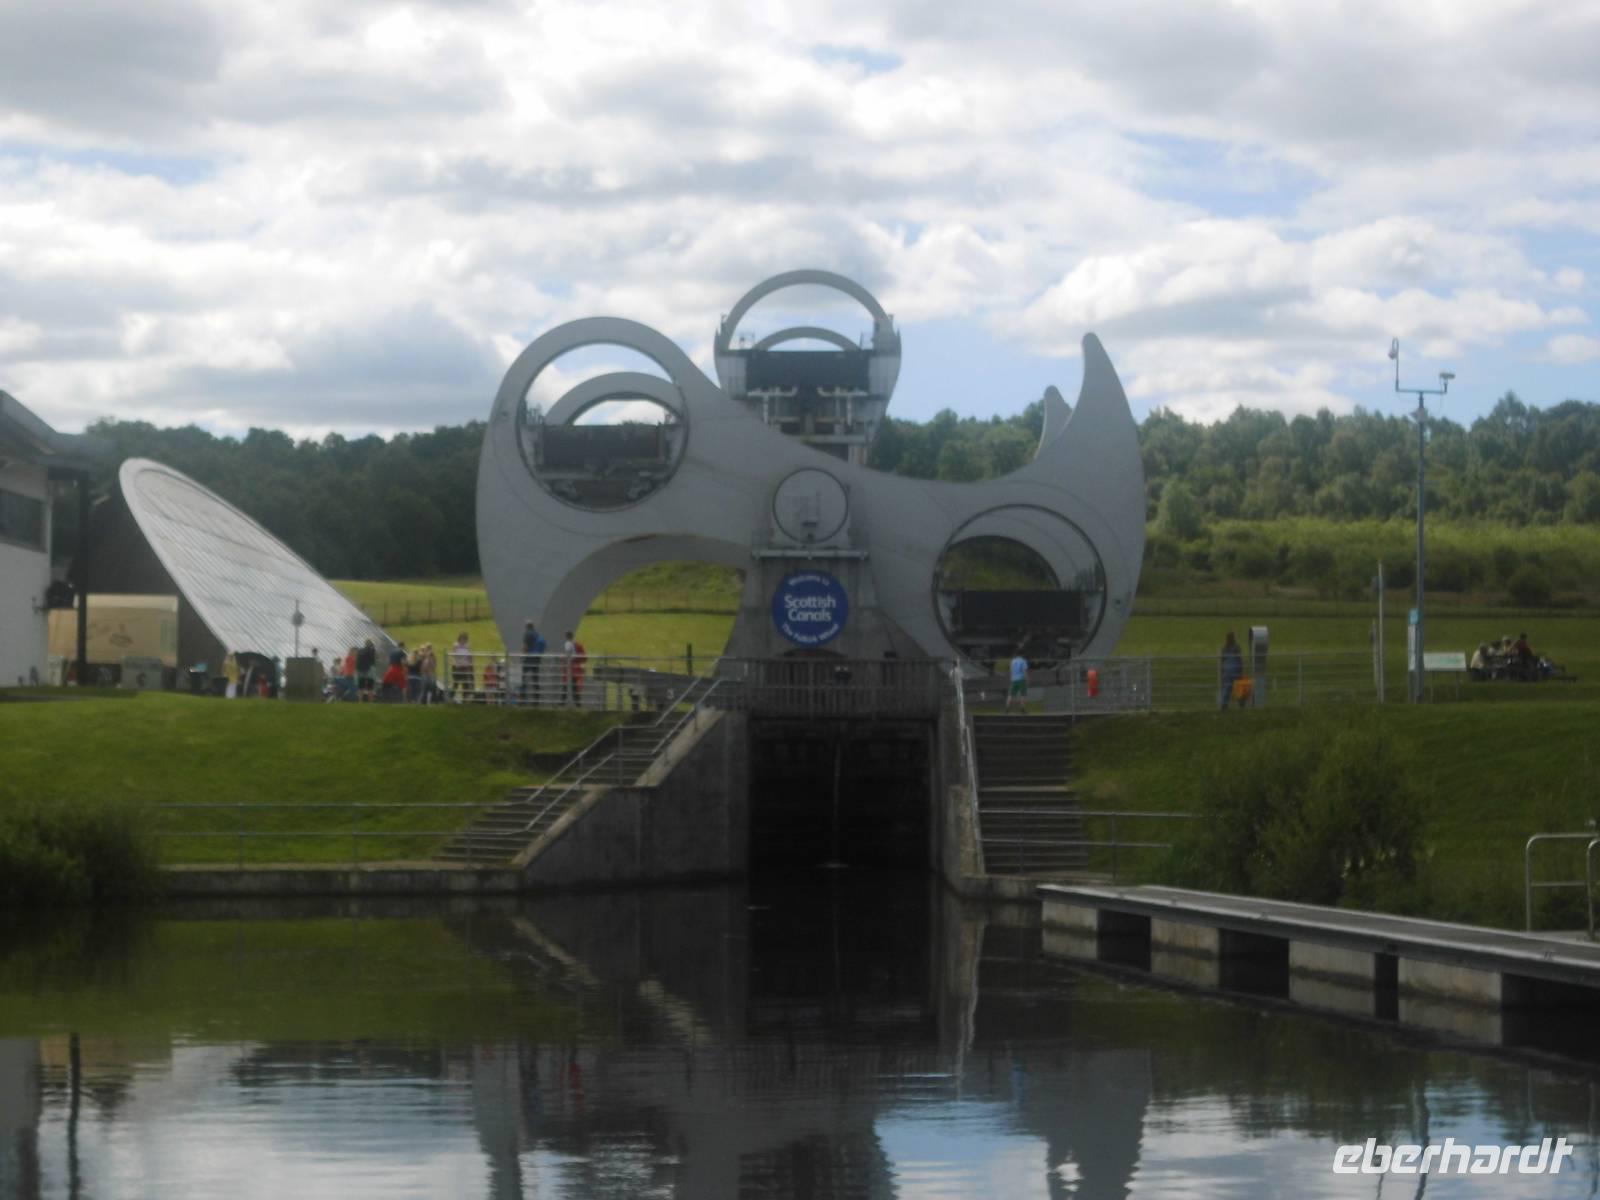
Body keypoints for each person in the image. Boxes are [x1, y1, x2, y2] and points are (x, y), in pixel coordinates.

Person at [521, 621, 546, 705]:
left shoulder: (527, 634)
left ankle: (522, 698)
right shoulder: (536, 633)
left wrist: (523, 653)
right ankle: (536, 700)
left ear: (527, 627)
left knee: (523, 676)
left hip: (529, 658)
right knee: (535, 679)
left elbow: (525, 647)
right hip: (537, 659)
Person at [1219, 631, 1243, 711]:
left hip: (1227, 671)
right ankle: (1240, 703)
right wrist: (1240, 669)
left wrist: (1222, 671)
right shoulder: (1236, 647)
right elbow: (1239, 659)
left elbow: (1222, 660)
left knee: (1227, 688)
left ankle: (1224, 704)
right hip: (1235, 670)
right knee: (1238, 687)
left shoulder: (1224, 648)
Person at [449, 632, 473, 699]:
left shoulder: (467, 646)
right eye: (462, 638)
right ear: (459, 638)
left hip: (465, 667)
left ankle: (465, 699)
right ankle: (451, 697)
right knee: (456, 682)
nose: (463, 640)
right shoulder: (456, 645)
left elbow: (470, 656)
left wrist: (470, 664)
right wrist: (455, 663)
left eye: (465, 639)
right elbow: (452, 656)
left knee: (465, 683)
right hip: (457, 667)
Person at [1005, 647, 1029, 713]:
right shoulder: (1023, 661)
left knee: (1010, 695)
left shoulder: (1013, 661)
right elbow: (1024, 671)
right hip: (1021, 679)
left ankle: (1007, 708)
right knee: (1022, 694)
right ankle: (1022, 709)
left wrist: (1011, 678)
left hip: (1013, 679)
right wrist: (1027, 679)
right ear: (1023, 654)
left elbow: (1010, 670)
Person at [561, 631, 578, 706]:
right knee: (572, 685)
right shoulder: (572, 643)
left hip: (569, 666)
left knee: (567, 684)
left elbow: (567, 653)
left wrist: (564, 660)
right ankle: (577, 703)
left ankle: (562, 703)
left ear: (566, 636)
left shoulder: (568, 643)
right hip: (573, 665)